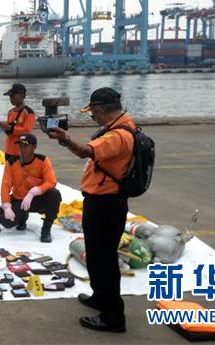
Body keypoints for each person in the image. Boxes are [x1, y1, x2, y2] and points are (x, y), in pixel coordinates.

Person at [46, 87, 133, 333]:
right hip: (99, 201)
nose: (92, 117)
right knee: (95, 255)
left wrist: (64, 139)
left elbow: (86, 151)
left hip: (107, 204)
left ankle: (113, 317)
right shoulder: (116, 128)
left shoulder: (118, 136)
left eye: (93, 113)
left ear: (103, 111)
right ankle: (100, 297)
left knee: (105, 260)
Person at [0, 134, 61, 243]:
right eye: (20, 146)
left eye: (25, 146)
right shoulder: (11, 162)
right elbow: (5, 185)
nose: (22, 149)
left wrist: (34, 192)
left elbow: (51, 181)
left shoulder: (43, 160)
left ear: (34, 147)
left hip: (37, 199)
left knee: (54, 194)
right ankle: (22, 218)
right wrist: (6, 206)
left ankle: (46, 229)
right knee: (6, 222)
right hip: (19, 200)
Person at [0, 83, 35, 164]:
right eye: (10, 96)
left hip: (21, 151)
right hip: (9, 150)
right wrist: (5, 128)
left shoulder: (28, 112)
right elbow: (9, 132)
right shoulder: (10, 112)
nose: (11, 98)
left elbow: (27, 131)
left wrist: (10, 128)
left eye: (12, 96)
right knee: (9, 174)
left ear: (22, 95)